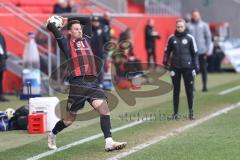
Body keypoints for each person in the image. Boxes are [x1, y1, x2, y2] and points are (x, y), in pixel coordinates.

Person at [46, 16, 126, 151]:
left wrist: (69, 18)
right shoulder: (65, 43)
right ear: (69, 32)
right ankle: (52, 134)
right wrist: (56, 22)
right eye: (76, 29)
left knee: (105, 110)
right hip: (78, 84)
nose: (79, 31)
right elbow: (50, 26)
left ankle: (109, 142)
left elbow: (87, 20)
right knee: (69, 120)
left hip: (92, 82)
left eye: (80, 29)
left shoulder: (86, 39)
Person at [163, 19, 199, 120]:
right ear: (176, 27)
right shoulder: (171, 38)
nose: (179, 28)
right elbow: (167, 51)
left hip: (188, 67)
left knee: (189, 91)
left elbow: (195, 53)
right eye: (178, 27)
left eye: (181, 26)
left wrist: (196, 66)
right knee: (176, 90)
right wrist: (165, 62)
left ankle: (191, 114)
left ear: (184, 27)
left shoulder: (190, 38)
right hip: (175, 67)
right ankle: (175, 114)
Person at [188, 9, 212, 92]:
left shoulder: (204, 25)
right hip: (192, 52)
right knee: (192, 70)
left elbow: (208, 37)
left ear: (199, 15)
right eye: (194, 15)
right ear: (192, 16)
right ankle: (192, 87)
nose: (195, 17)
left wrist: (208, 50)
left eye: (196, 15)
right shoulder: (188, 25)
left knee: (203, 69)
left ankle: (205, 87)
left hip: (202, 51)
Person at [0, 32, 8, 102]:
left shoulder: (1, 35)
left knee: (0, 79)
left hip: (1, 60)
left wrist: (5, 56)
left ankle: (1, 95)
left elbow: (4, 46)